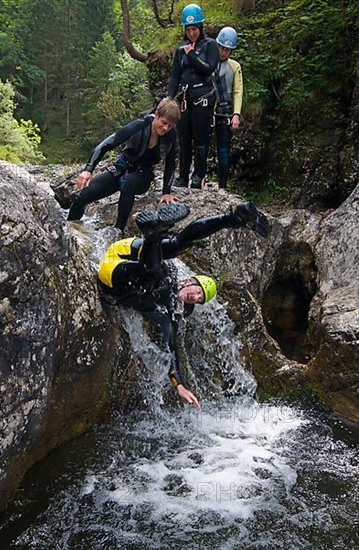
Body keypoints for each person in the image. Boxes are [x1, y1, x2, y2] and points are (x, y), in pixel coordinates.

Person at [98, 200, 269, 407]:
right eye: (197, 291)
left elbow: (170, 348)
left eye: (199, 299)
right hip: (119, 259)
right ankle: (155, 234)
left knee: (169, 253)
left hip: (122, 281)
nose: (195, 297)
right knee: (168, 256)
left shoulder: (170, 312)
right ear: (188, 281)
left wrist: (179, 385)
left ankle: (234, 218)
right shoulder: (170, 275)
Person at [67, 98, 181, 239]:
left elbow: (171, 163)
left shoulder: (171, 135)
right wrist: (88, 170)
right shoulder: (138, 126)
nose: (165, 128)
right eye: (164, 123)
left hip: (142, 175)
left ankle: (118, 230)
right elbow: (105, 145)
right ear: (156, 115)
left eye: (170, 126)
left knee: (128, 182)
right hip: (122, 167)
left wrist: (166, 192)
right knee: (82, 197)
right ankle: (69, 231)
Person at [168, 3, 219, 190]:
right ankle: (182, 177)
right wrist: (169, 97)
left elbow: (208, 68)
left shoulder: (210, 45)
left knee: (201, 139)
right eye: (188, 30)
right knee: (184, 139)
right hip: (184, 98)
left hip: (203, 96)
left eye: (195, 29)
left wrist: (192, 55)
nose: (191, 33)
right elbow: (175, 75)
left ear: (201, 28)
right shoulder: (180, 49)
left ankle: (199, 176)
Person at [213, 27, 243, 193]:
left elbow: (238, 91)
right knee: (200, 147)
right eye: (222, 48)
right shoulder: (208, 63)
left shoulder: (235, 67)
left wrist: (236, 114)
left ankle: (222, 185)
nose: (224, 52)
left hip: (225, 111)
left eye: (227, 49)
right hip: (208, 109)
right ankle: (199, 179)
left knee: (223, 149)